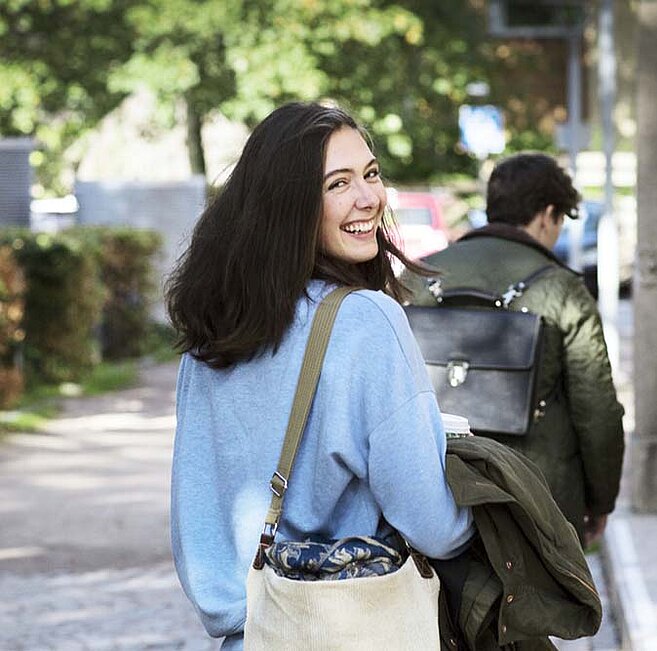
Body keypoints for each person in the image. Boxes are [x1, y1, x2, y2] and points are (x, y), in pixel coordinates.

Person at [166, 103, 474, 650]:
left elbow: (196, 514)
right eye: (338, 184)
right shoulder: (366, 321)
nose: (369, 198)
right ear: (290, 206)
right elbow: (431, 524)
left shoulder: (210, 334)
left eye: (371, 174)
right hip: (353, 629)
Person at [404, 152, 625, 546]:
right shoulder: (562, 290)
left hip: (437, 485)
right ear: (547, 214)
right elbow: (597, 408)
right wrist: (601, 498)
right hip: (539, 496)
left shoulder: (419, 277)